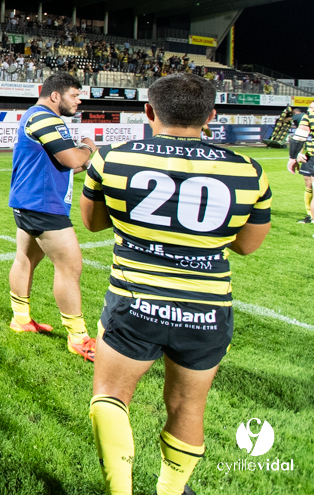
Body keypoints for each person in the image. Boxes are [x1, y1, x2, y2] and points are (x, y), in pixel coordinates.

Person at [81, 73, 272, 495]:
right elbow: (248, 246)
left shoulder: (111, 159)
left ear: (148, 112)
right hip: (206, 307)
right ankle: (170, 490)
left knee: (110, 396)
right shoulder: (248, 170)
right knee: (188, 405)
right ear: (211, 116)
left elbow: (92, 224)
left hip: (135, 302)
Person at [6, 71, 99, 361]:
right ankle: (78, 337)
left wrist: (84, 159)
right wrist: (88, 147)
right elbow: (72, 159)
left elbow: (68, 166)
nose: (79, 100)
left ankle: (21, 319)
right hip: (43, 204)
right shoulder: (44, 117)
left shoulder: (38, 118)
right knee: (70, 267)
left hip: (29, 201)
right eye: (75, 95)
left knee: (26, 258)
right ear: (56, 95)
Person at [286, 103, 314, 233]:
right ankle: (311, 216)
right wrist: (300, 153)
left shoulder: (309, 115)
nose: (311, 109)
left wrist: (292, 157)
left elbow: (298, 137)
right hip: (310, 155)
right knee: (310, 187)